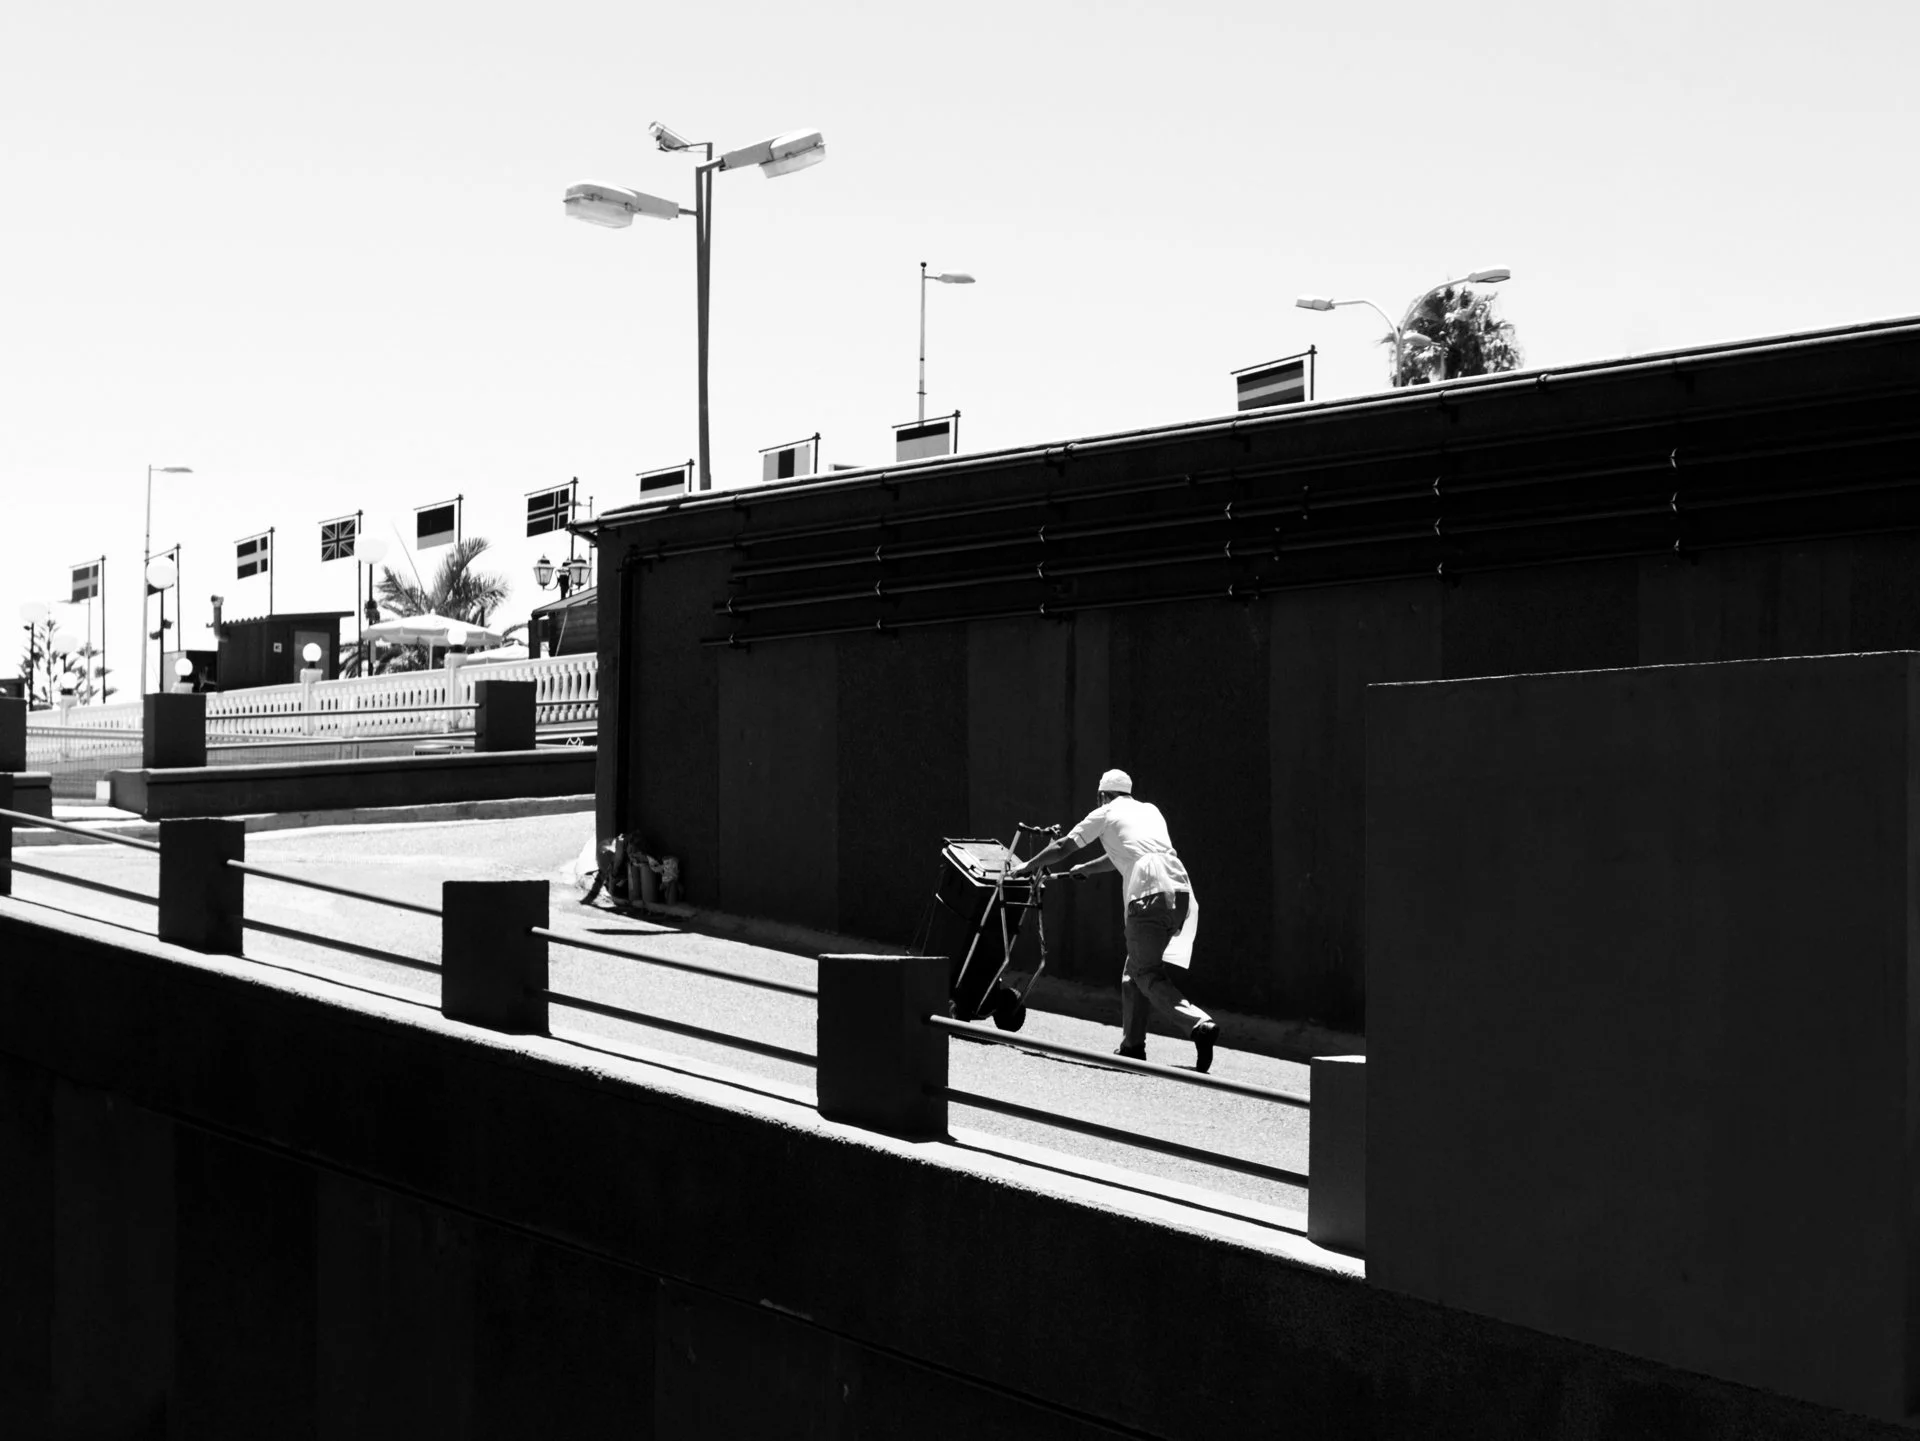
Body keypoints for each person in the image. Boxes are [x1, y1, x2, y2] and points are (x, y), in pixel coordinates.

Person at [1011, 768, 1220, 1072]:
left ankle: (1199, 1024)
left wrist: (1027, 866)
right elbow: (1127, 855)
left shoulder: (1105, 813)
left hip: (1147, 893)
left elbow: (1062, 846)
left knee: (1146, 972)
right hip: (1179, 892)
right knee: (1134, 971)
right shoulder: (1149, 811)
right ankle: (1132, 1047)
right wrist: (1087, 867)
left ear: (1102, 795)